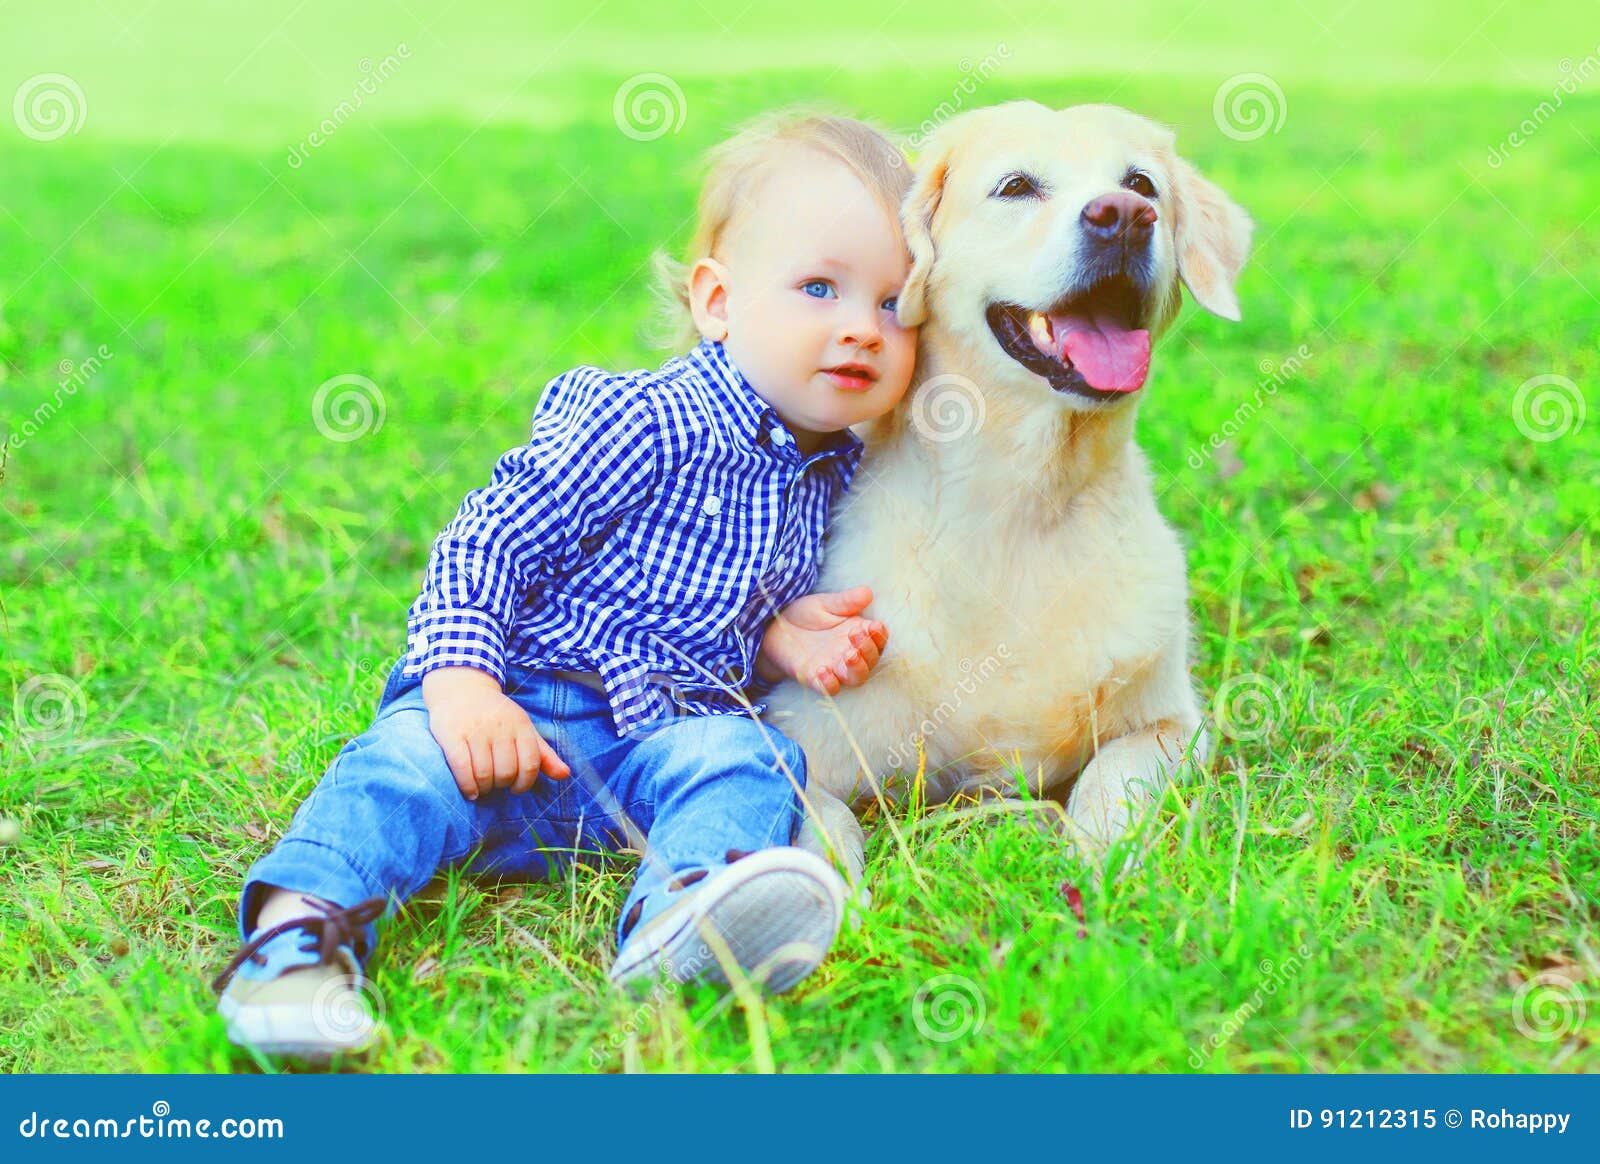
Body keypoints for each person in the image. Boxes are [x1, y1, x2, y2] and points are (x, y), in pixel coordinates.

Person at [210, 108, 919, 1061]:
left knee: (752, 762)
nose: (858, 330)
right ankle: (296, 947)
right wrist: (462, 686)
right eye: (819, 287)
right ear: (717, 301)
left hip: (647, 756)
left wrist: (780, 634)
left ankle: (682, 923)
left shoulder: (831, 471)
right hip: (517, 715)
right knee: (401, 775)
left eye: (892, 305)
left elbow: (706, 604)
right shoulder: (649, 420)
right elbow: (491, 537)